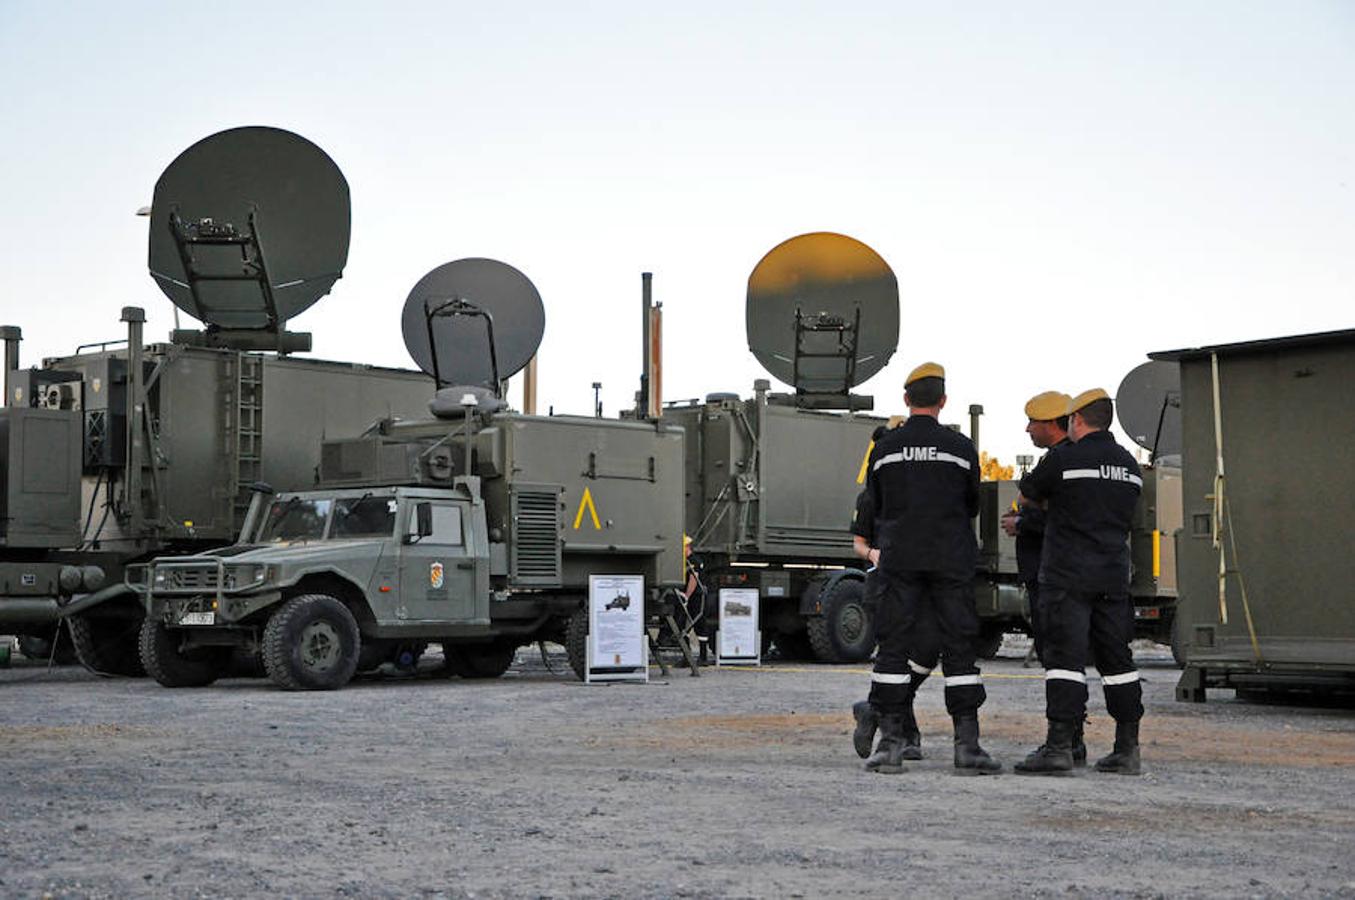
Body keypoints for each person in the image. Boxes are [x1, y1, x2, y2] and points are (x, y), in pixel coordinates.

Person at [857, 362, 1000, 775]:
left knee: (894, 650)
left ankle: (890, 746)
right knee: (959, 650)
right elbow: (972, 503)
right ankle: (967, 746)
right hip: (950, 560)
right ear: (943, 401)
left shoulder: (885, 450)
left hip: (899, 560)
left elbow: (876, 504)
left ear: (906, 400)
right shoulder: (960, 448)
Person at [1013, 388, 1145, 776]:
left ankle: (1059, 746)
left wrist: (1054, 505)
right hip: (1112, 575)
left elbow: (1026, 497)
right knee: (1118, 662)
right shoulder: (1128, 465)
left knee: (1065, 662)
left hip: (1067, 575)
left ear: (1076, 420)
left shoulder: (1065, 459)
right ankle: (1127, 748)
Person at [1000, 391, 1072, 666]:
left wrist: (1021, 521)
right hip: (1048, 569)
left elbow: (1049, 511)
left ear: (1052, 422)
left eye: (1032, 421)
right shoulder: (1056, 458)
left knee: (1055, 651)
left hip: (1050, 569)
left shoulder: (1058, 460)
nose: (1028, 428)